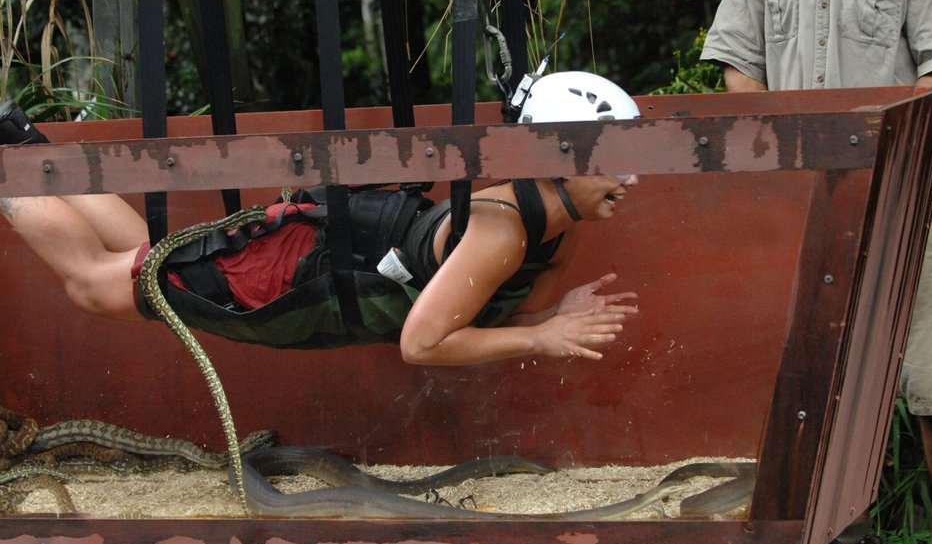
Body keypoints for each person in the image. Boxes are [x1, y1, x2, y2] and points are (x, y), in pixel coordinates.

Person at [699, 0, 932, 544]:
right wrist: (785, 160)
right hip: (801, 212)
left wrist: (861, 157)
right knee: (816, 389)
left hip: (908, 204)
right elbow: (738, 65)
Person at [0, 71, 640, 366]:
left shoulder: (555, 232)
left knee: (152, 253)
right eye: (616, 162)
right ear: (561, 158)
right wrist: (541, 339)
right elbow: (422, 345)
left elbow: (474, 316)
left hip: (323, 252)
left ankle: (20, 141)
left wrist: (553, 317)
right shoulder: (502, 231)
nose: (631, 179)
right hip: (292, 272)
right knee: (94, 284)